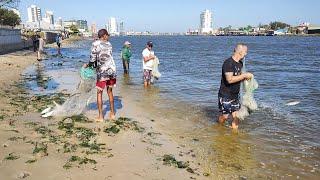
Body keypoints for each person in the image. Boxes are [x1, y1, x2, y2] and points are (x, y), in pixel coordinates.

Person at [218, 43, 254, 130]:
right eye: (245, 52)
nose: (246, 54)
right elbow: (229, 80)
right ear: (240, 52)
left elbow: (238, 78)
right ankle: (218, 127)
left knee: (237, 116)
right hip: (225, 95)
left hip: (235, 95)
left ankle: (235, 135)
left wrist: (246, 80)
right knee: (225, 117)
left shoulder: (240, 64)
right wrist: (244, 75)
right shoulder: (228, 63)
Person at [83, 29, 117, 122]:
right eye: (108, 35)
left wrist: (87, 65)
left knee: (99, 93)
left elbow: (93, 59)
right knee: (110, 92)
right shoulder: (109, 44)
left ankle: (101, 117)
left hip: (102, 71)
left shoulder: (95, 44)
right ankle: (112, 114)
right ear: (104, 35)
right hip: (112, 71)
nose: (108, 36)